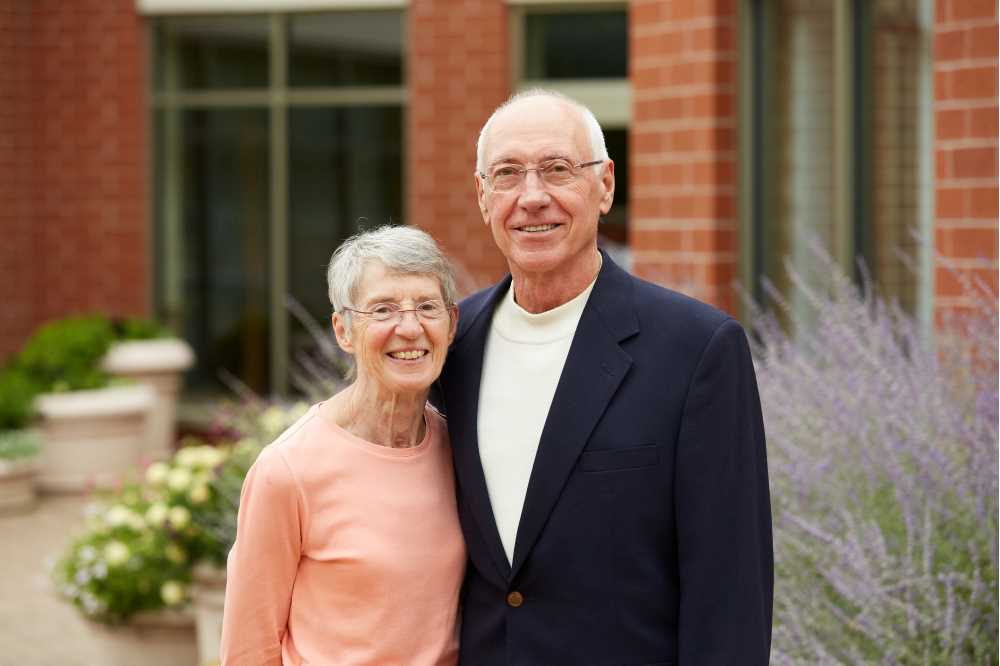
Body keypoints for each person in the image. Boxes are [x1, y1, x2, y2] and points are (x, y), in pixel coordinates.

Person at [435, 89, 773, 665]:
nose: (533, 196)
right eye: (509, 174)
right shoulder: (450, 345)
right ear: (482, 196)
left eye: (558, 170)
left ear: (606, 185)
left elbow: (730, 584)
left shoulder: (696, 350)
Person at [220, 226, 465, 666]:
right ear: (343, 330)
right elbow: (247, 650)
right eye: (383, 309)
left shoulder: (460, 450)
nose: (409, 328)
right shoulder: (288, 470)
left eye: (427, 307)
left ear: (451, 325)